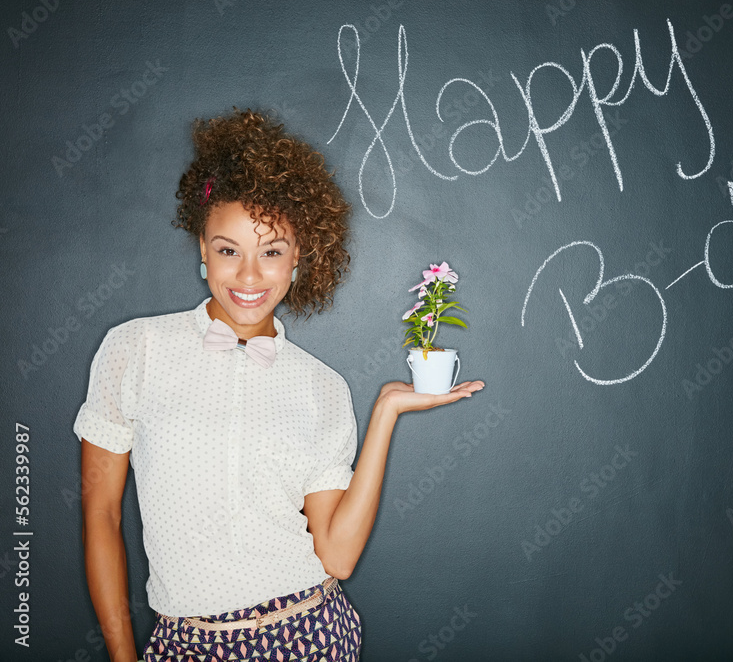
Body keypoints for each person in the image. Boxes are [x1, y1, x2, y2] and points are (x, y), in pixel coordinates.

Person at [75, 107, 484, 662]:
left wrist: (385, 412)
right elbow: (100, 514)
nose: (248, 276)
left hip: (311, 634)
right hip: (187, 644)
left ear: (299, 260)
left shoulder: (322, 387)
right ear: (202, 249)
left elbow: (337, 558)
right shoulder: (134, 350)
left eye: (271, 252)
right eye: (228, 250)